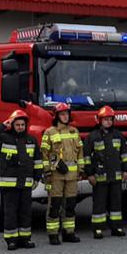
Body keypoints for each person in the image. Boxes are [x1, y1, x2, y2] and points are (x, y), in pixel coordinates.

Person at [0, 109, 40, 250]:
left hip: (26, 183)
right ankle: (11, 240)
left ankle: (25, 239)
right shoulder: (3, 138)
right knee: (10, 212)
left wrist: (37, 177)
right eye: (17, 125)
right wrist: (3, 125)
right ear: (12, 125)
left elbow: (37, 161)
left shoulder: (31, 140)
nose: (20, 127)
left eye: (22, 125)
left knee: (25, 212)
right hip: (9, 184)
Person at [40, 103, 85, 244]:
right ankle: (53, 234)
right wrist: (49, 170)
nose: (65, 116)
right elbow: (44, 154)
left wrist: (81, 170)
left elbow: (80, 154)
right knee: (55, 205)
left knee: (70, 205)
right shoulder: (49, 132)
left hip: (72, 177)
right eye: (62, 114)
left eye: (67, 114)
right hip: (56, 177)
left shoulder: (74, 131)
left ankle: (68, 233)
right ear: (57, 116)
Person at [85, 106, 127, 238]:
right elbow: (86, 157)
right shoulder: (92, 137)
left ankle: (116, 227)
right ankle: (98, 229)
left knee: (116, 203)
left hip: (115, 176)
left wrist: (126, 170)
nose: (108, 122)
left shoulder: (118, 135)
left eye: (110, 119)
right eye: (105, 119)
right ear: (99, 120)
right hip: (99, 177)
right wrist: (90, 174)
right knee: (99, 204)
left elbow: (125, 154)